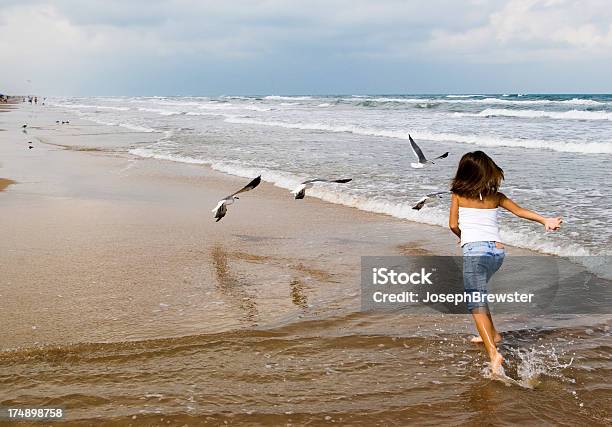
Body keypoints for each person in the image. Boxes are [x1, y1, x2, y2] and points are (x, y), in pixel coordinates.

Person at [448, 151, 562, 374]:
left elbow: (453, 225)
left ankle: (493, 353)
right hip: (497, 253)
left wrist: (464, 236)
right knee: (479, 294)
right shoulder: (496, 196)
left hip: (475, 251)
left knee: (475, 301)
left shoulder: (458, 194)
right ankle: (495, 334)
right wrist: (545, 220)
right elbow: (519, 212)